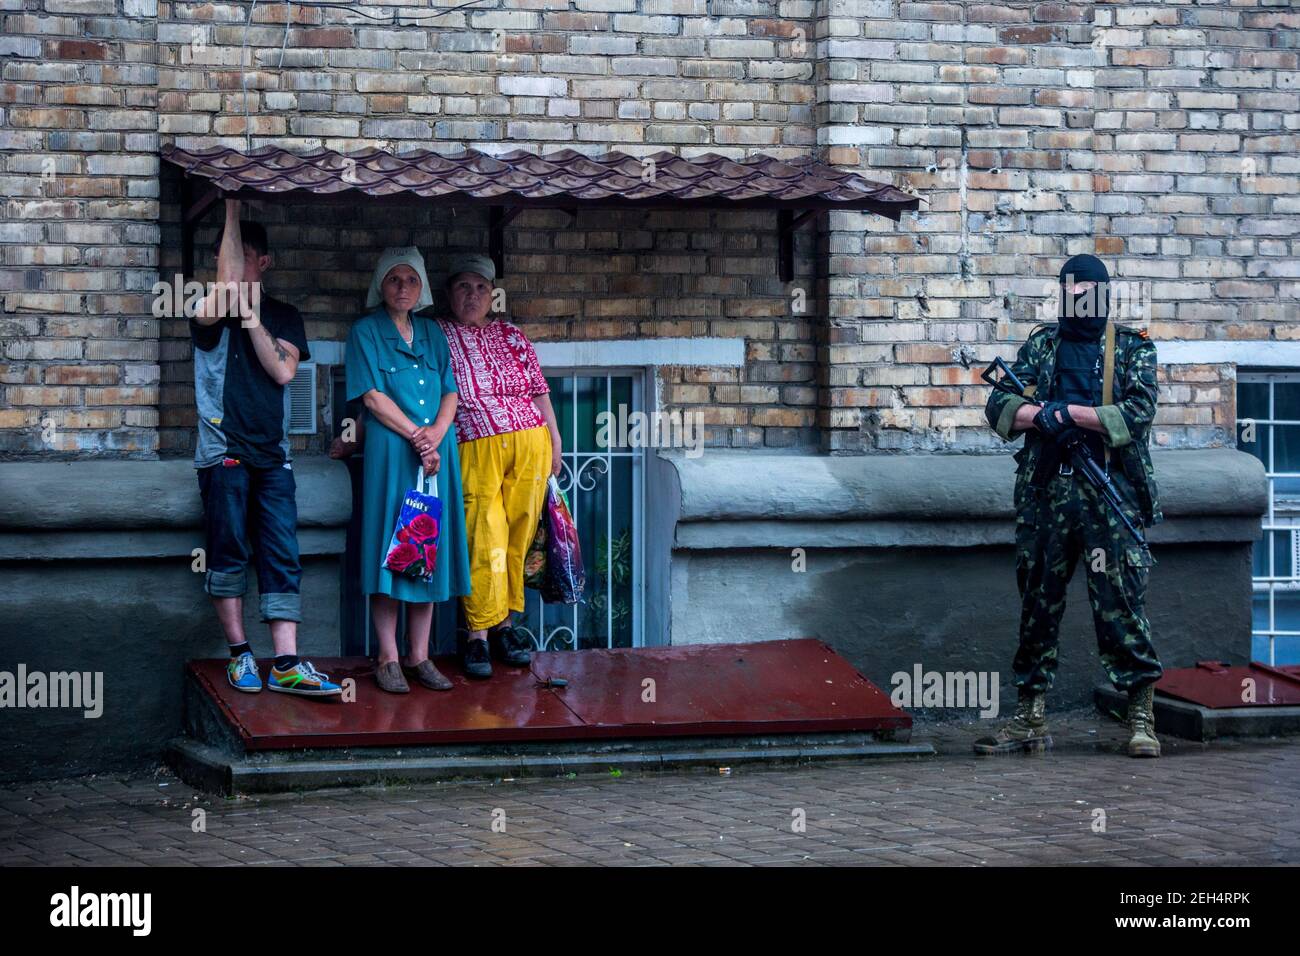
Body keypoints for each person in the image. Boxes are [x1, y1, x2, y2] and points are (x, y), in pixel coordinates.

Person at [977, 254, 1164, 758]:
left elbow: (1138, 411)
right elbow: (998, 406)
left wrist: (1071, 415)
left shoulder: (1131, 348)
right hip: (1047, 495)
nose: (1079, 302)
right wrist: (1041, 417)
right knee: (1038, 601)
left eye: (1089, 294)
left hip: (1108, 494)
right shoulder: (1042, 344)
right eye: (1072, 292)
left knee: (1120, 604)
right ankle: (1030, 715)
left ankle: (1141, 714)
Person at [191, 199, 341, 698]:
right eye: (223, 258)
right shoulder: (205, 309)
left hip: (273, 456)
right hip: (223, 453)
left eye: (242, 256)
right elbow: (226, 289)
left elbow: (282, 371)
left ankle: (287, 662)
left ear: (265, 264)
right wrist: (231, 211)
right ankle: (240, 656)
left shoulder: (284, 316)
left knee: (281, 551)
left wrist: (254, 318)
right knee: (228, 551)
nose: (231, 265)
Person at [344, 247, 472, 693]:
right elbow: (372, 397)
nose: (403, 287)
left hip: (437, 453)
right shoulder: (365, 332)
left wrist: (435, 433)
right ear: (381, 285)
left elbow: (451, 392)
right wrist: (417, 436)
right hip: (392, 453)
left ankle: (419, 655)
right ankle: (388, 656)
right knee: (389, 549)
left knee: (426, 549)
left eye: (411, 280)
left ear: (422, 289)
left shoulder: (434, 334)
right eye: (395, 279)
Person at [436, 254, 562, 679]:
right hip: (474, 441)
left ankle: (506, 627)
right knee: (481, 533)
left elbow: (539, 391)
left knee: (518, 534)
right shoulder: (437, 334)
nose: (472, 296)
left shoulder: (511, 334)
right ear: (448, 293)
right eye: (463, 287)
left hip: (530, 441)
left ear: (493, 295)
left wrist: (555, 440)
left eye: (480, 288)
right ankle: (476, 634)